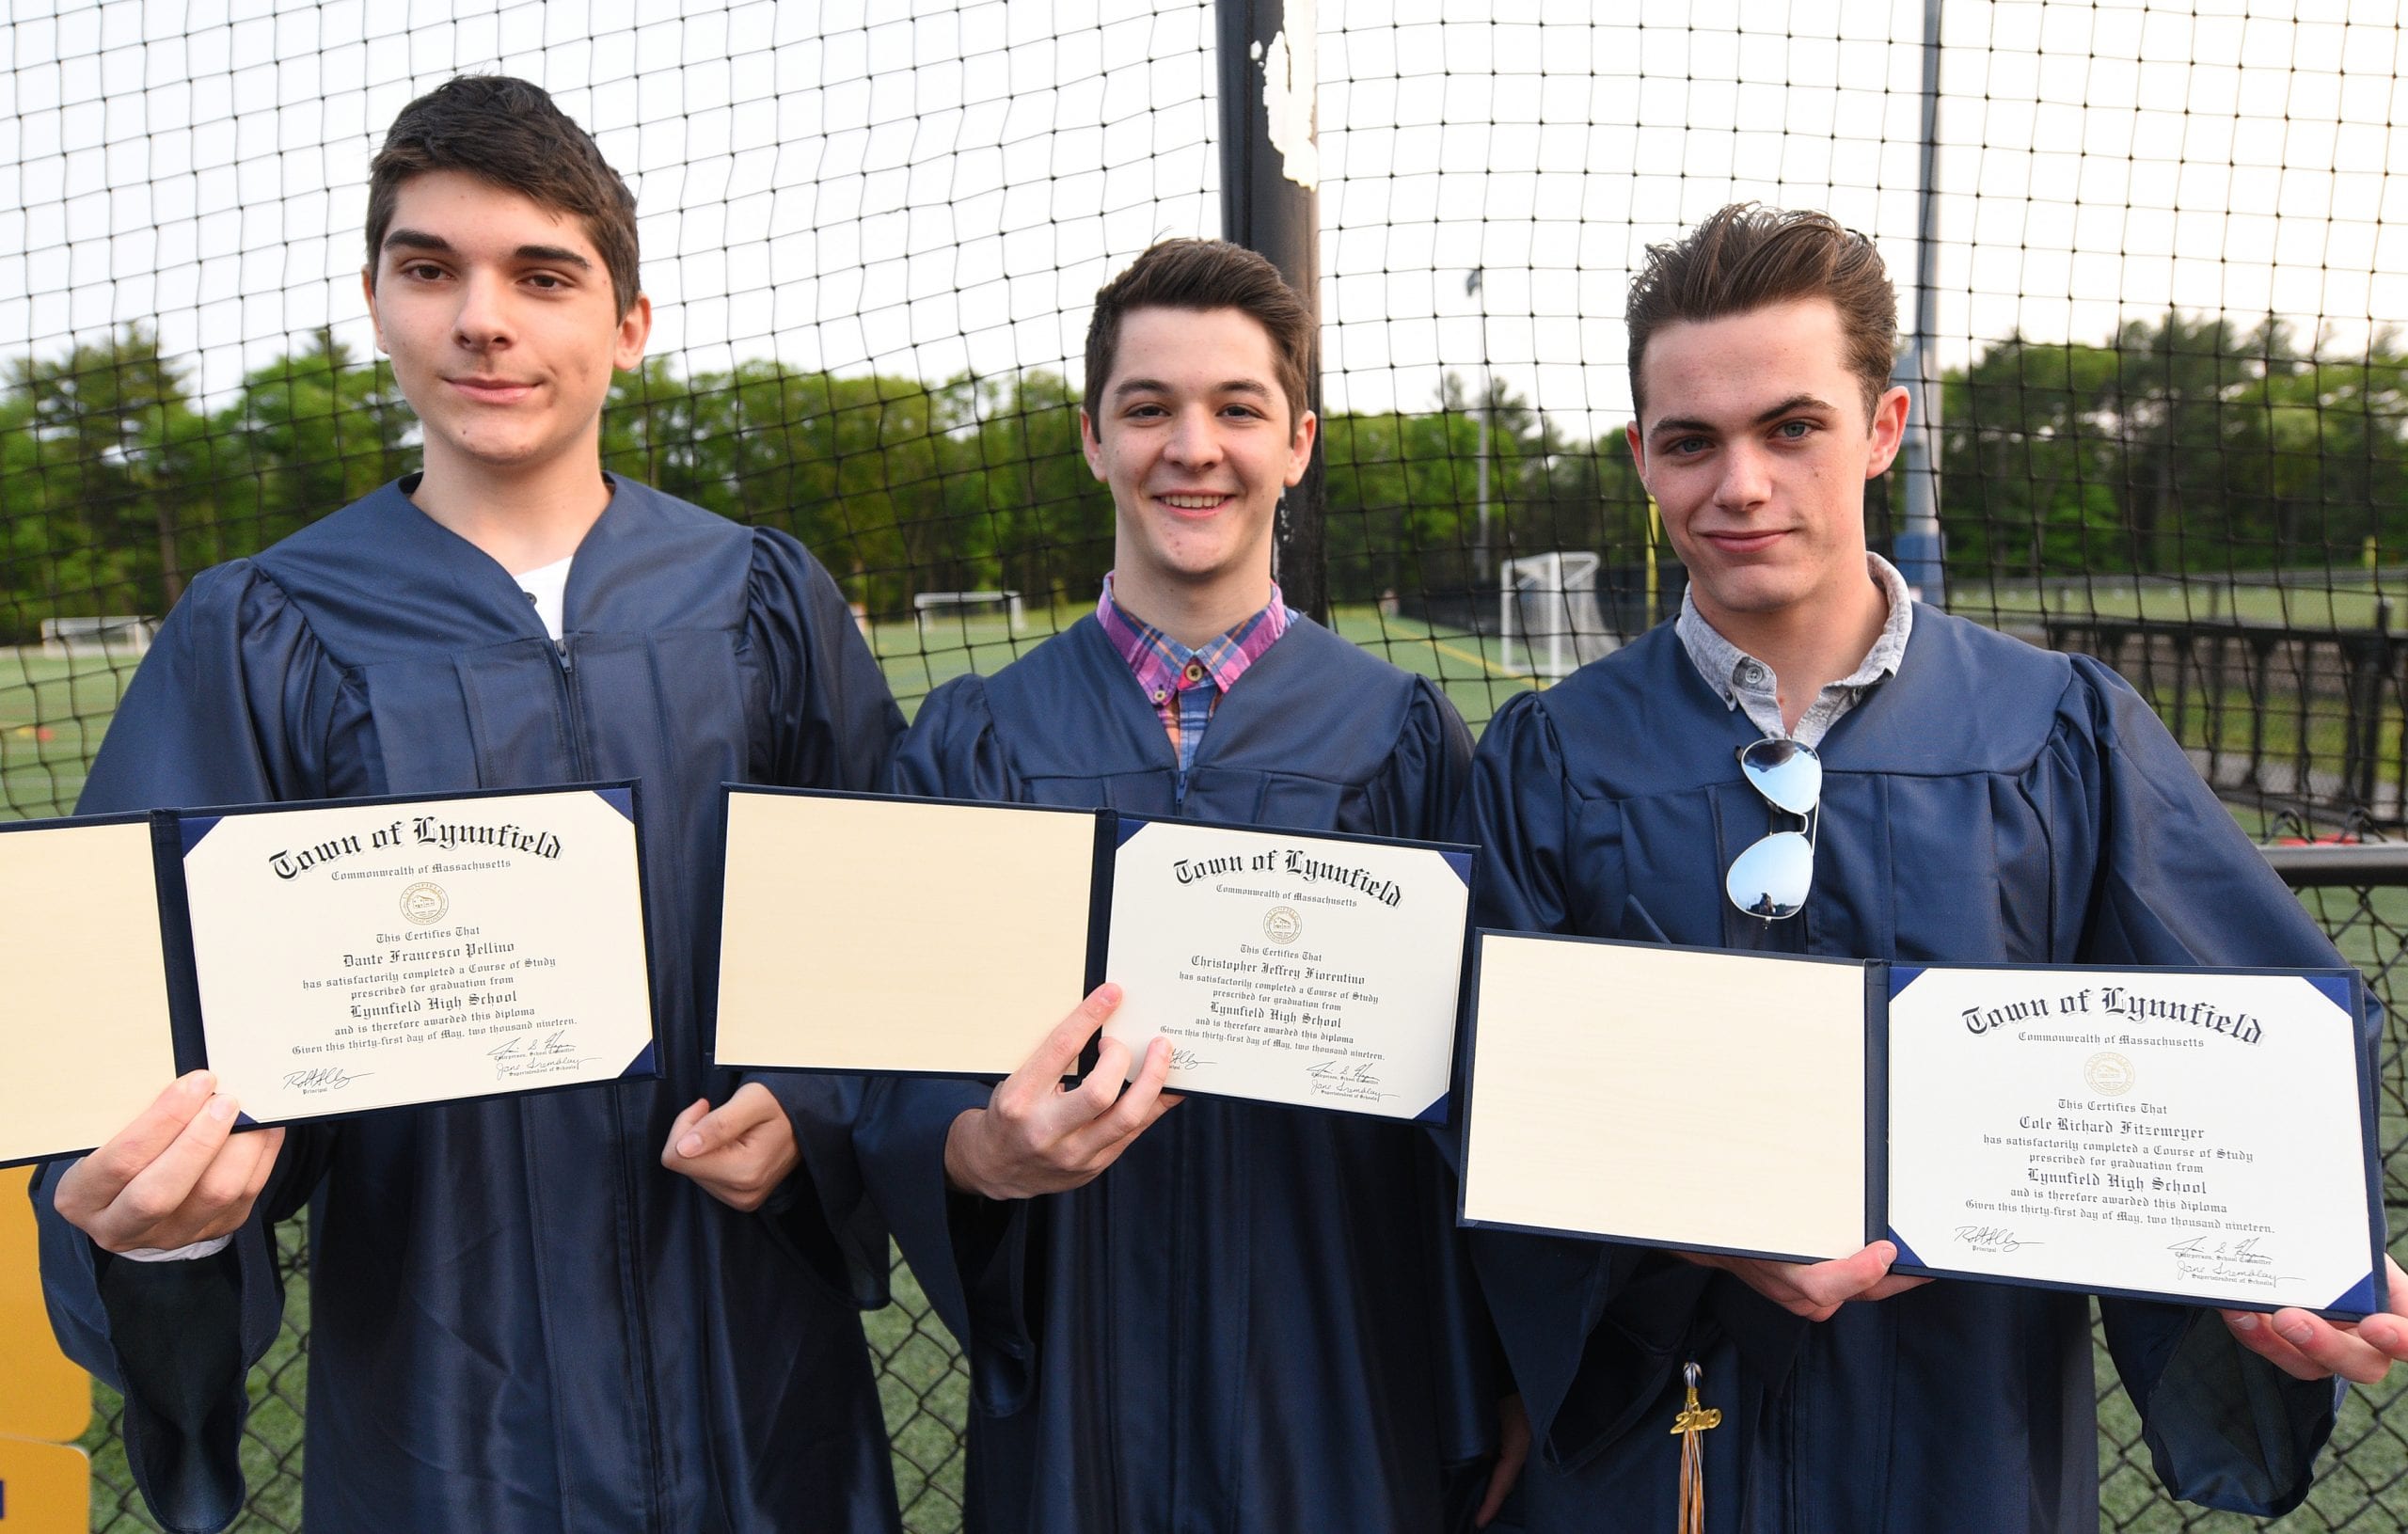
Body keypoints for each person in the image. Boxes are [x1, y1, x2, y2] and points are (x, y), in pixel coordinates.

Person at [32, 76, 909, 1532]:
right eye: (429, 268)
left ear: (629, 325)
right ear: (377, 304)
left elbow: (891, 946)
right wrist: (159, 1222)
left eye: (541, 274)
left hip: (759, 1395)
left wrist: (815, 1110)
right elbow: (136, 1037)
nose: (480, 319)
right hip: (445, 1412)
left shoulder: (761, 602)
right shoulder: (262, 632)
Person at [1460, 202, 2408, 1531]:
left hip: (1969, 1432)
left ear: (1885, 429)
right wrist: (1703, 1235)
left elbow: (2235, 1027)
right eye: (1692, 442)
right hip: (1660, 1443)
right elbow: (1491, 1092)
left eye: (1793, 427)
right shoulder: (1553, 758)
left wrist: (2273, 1255)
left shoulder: (2055, 732)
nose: (1741, 483)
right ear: (1643, 458)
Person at [857, 238, 1510, 1532]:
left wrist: (1487, 1386)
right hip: (1079, 1387)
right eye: (1148, 407)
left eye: (1236, 409)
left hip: (1336, 1378)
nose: (1191, 446)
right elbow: (889, 1069)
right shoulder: (976, 741)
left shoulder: (1401, 741)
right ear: (1094, 438)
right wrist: (975, 1152)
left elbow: (1479, 1095)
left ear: (1299, 443)